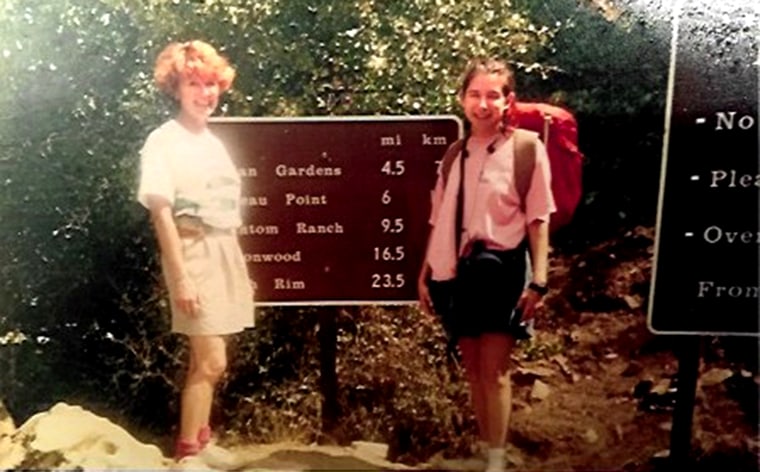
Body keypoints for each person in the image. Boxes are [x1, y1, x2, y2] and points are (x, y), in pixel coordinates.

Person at [417, 57, 555, 472]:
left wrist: (540, 283)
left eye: (492, 95)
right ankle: (486, 452)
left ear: (507, 100)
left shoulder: (527, 149)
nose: (483, 104)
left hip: (503, 271)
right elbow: (439, 219)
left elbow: (538, 218)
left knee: (494, 370)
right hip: (456, 274)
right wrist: (425, 273)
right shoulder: (454, 154)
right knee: (474, 368)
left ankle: (496, 461)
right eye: (474, 95)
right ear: (462, 100)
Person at [136, 40, 254, 465]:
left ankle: (200, 441)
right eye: (193, 84)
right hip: (192, 250)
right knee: (212, 358)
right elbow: (161, 214)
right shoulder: (163, 141)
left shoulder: (211, 142)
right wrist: (181, 275)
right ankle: (189, 453)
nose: (204, 93)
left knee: (209, 358)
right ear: (176, 88)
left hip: (222, 249)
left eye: (210, 84)